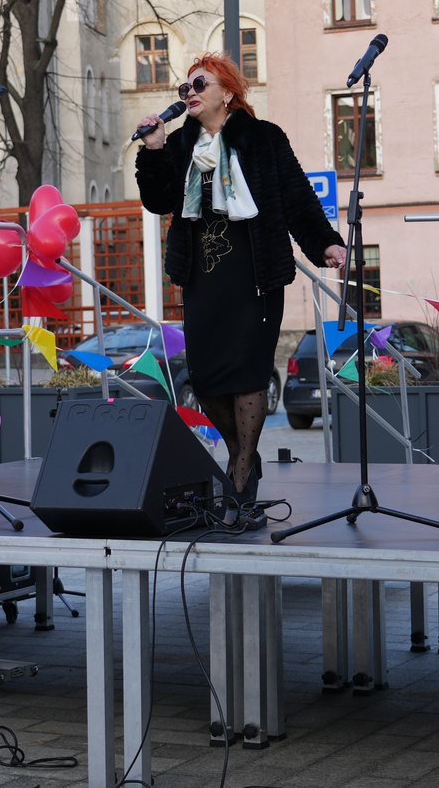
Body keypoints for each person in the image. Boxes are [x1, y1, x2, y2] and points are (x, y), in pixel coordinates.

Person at [136, 52, 346, 525]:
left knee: (249, 377)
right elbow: (158, 200)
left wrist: (325, 243)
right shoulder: (181, 143)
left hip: (255, 276)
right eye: (184, 88)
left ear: (228, 93)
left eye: (199, 85)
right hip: (204, 278)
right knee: (209, 381)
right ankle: (241, 462)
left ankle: (239, 481)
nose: (189, 93)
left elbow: (296, 197)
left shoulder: (263, 139)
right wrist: (152, 150)